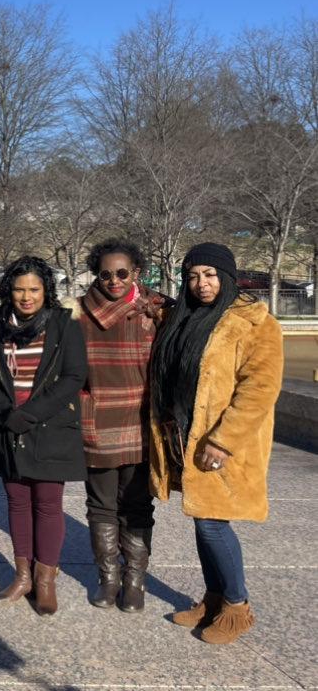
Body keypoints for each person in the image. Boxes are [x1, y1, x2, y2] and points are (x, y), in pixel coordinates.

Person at [150, 242, 283, 645]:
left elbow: (259, 388)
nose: (201, 284)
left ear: (227, 277)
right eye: (192, 276)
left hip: (222, 442)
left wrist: (223, 442)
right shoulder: (185, 316)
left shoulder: (254, 322)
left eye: (209, 275)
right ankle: (213, 599)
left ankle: (238, 606)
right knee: (202, 516)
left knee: (212, 524)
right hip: (185, 436)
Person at [0, 255, 87, 615]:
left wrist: (32, 413)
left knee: (48, 504)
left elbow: (73, 377)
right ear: (9, 290)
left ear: (46, 290)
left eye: (34, 290)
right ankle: (22, 575)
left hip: (50, 427)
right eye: (20, 289)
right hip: (9, 427)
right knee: (18, 503)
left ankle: (45, 580)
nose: (26, 297)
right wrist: (5, 412)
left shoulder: (63, 325)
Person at [74, 239, 171, 612]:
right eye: (105, 274)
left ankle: (135, 581)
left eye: (121, 273)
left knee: (136, 504)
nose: (113, 280)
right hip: (97, 416)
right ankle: (109, 578)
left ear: (137, 272)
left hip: (142, 419)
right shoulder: (78, 313)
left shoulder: (158, 310)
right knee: (100, 504)